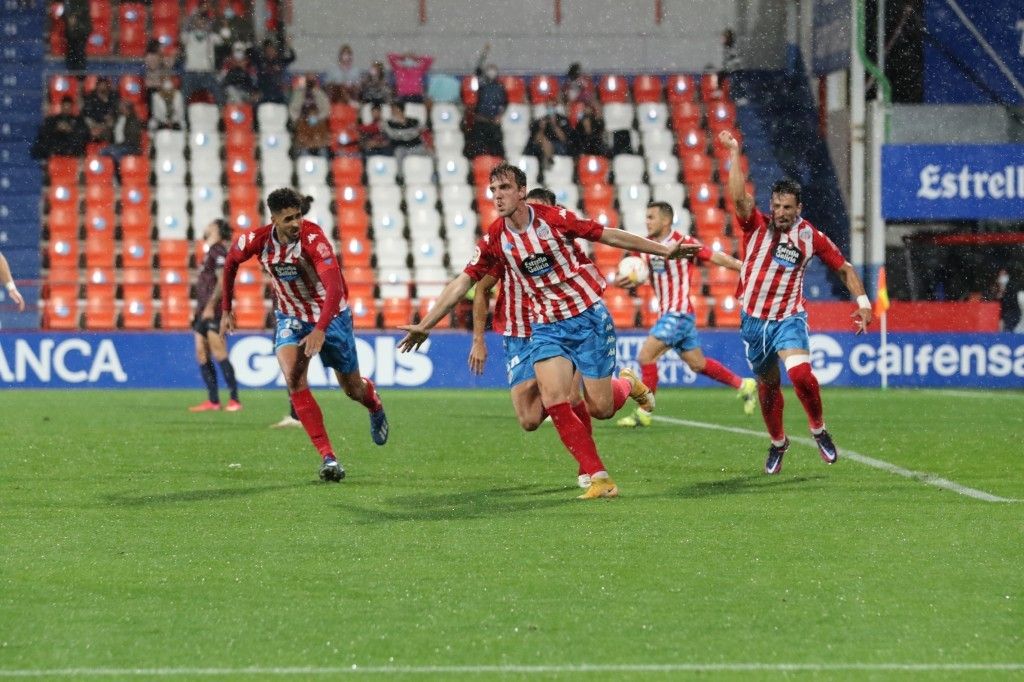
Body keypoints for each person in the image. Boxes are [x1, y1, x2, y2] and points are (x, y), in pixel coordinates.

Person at [398, 163, 699, 499]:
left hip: (588, 318)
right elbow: (465, 283)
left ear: (522, 191)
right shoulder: (495, 239)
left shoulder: (554, 219)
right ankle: (599, 477)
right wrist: (427, 324)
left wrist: (663, 249)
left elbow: (607, 233)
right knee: (556, 399)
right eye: (493, 190)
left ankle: (627, 384)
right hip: (546, 326)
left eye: (505, 189)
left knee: (600, 407)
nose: (498, 197)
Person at [719, 130, 872, 474]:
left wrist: (862, 301)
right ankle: (778, 443)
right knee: (768, 386)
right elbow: (740, 199)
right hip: (753, 320)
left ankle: (818, 429)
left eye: (787, 207)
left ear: (799, 208)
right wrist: (733, 153)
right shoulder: (756, 225)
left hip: (789, 317)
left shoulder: (811, 237)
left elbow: (844, 268)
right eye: (776, 206)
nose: (780, 212)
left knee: (801, 375)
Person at [220, 189, 390, 482]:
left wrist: (321, 330)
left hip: (332, 316)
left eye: (298, 216)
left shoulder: (314, 240)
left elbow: (334, 287)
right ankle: (329, 458)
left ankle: (373, 402)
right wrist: (226, 308)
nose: (296, 223)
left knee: (352, 390)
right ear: (273, 219)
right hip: (291, 317)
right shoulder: (258, 241)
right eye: (288, 219)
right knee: (294, 379)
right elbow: (231, 263)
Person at [468, 187, 596, 489]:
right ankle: (626, 385)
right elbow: (481, 288)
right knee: (529, 420)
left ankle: (589, 467)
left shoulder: (561, 246)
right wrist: (478, 339)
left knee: (571, 397)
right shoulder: (507, 247)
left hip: (558, 326)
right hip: (519, 333)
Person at [613, 201, 757, 428]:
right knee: (697, 364)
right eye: (646, 217)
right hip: (677, 316)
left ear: (666, 220)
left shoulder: (683, 243)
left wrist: (742, 267)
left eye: (651, 217)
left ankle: (644, 412)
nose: (647, 221)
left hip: (677, 313)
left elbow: (714, 256)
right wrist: (626, 281)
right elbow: (634, 272)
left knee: (645, 357)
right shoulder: (648, 247)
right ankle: (743, 384)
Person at [188, 219, 242, 413]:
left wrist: (211, 306)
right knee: (201, 353)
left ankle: (235, 400)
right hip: (202, 311)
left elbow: (223, 280)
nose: (206, 226)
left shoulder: (218, 251)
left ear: (218, 229)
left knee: (219, 352)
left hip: (214, 311)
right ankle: (213, 401)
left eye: (210, 224)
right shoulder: (210, 252)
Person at [465, 44, 507, 159]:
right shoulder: (483, 83)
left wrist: (500, 116)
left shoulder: (500, 87)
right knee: (477, 150)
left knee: (497, 150)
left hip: (493, 123)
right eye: (490, 69)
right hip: (481, 121)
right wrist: (484, 54)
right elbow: (478, 69)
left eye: (494, 69)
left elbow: (504, 104)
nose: (492, 71)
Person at [180, 0, 224, 104]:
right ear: (194, 22)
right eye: (198, 20)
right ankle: (182, 118)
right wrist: (196, 13)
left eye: (203, 20)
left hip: (207, 73)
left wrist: (218, 20)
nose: (201, 22)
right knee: (183, 97)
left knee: (219, 95)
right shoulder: (188, 36)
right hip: (191, 73)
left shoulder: (211, 37)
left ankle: (222, 117)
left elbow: (223, 39)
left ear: (206, 22)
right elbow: (183, 30)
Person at [289, 76, 332, 156]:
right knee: (302, 139)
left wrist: (318, 117)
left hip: (318, 122)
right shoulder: (298, 93)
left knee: (321, 140)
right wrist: (299, 118)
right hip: (302, 121)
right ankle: (303, 157)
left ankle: (323, 159)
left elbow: (326, 109)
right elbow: (292, 109)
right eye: (308, 81)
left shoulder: (320, 93)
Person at [100, 99, 144, 172]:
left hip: (131, 146)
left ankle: (122, 172)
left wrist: (120, 145)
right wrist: (110, 127)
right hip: (118, 146)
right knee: (103, 152)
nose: (120, 109)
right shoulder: (118, 119)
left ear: (128, 109)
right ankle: (110, 174)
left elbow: (132, 138)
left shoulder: (133, 121)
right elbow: (112, 135)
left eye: (122, 107)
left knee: (115, 152)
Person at [523, 104, 572, 169]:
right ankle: (549, 159)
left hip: (558, 146)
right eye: (549, 107)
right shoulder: (541, 120)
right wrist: (542, 128)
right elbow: (536, 140)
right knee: (544, 140)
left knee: (546, 143)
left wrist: (554, 125)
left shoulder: (562, 119)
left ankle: (547, 161)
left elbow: (564, 138)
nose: (551, 109)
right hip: (541, 146)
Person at [382, 101, 427, 167]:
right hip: (401, 147)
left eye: (395, 109)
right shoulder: (388, 124)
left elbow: (422, 129)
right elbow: (393, 135)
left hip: (416, 146)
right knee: (399, 153)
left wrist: (403, 134)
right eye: (392, 110)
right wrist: (410, 134)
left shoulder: (414, 121)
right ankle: (400, 175)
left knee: (430, 153)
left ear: (401, 110)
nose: (393, 112)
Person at [253, 37, 296, 105]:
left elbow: (292, 58)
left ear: (276, 51)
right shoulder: (261, 62)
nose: (270, 52)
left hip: (278, 92)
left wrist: (289, 46)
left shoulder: (280, 61)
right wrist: (258, 44)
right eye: (268, 50)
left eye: (272, 50)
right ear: (265, 52)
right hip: (264, 92)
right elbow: (254, 57)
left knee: (286, 104)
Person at [82, 77, 119, 143]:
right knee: (86, 122)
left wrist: (107, 120)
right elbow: (87, 113)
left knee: (112, 123)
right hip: (93, 123)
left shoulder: (112, 97)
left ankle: (109, 146)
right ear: (97, 86)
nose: (102, 88)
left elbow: (114, 111)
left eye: (104, 86)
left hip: (106, 124)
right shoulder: (91, 97)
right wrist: (99, 121)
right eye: (101, 85)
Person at [63, 0, 91, 72]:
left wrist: (74, 16)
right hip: (71, 33)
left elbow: (84, 9)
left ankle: (79, 74)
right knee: (72, 54)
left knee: (79, 52)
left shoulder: (83, 3)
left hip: (81, 32)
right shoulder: (67, 2)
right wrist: (68, 18)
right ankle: (73, 73)